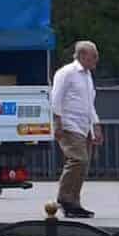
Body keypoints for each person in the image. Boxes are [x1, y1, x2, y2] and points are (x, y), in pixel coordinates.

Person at [48, 40, 101, 219]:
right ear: (82, 55)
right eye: (93, 55)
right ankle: (64, 198)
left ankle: (74, 202)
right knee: (78, 160)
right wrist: (57, 123)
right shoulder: (67, 73)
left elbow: (89, 104)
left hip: (84, 126)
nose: (96, 59)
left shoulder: (87, 76)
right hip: (69, 125)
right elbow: (56, 99)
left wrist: (96, 127)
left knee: (83, 165)